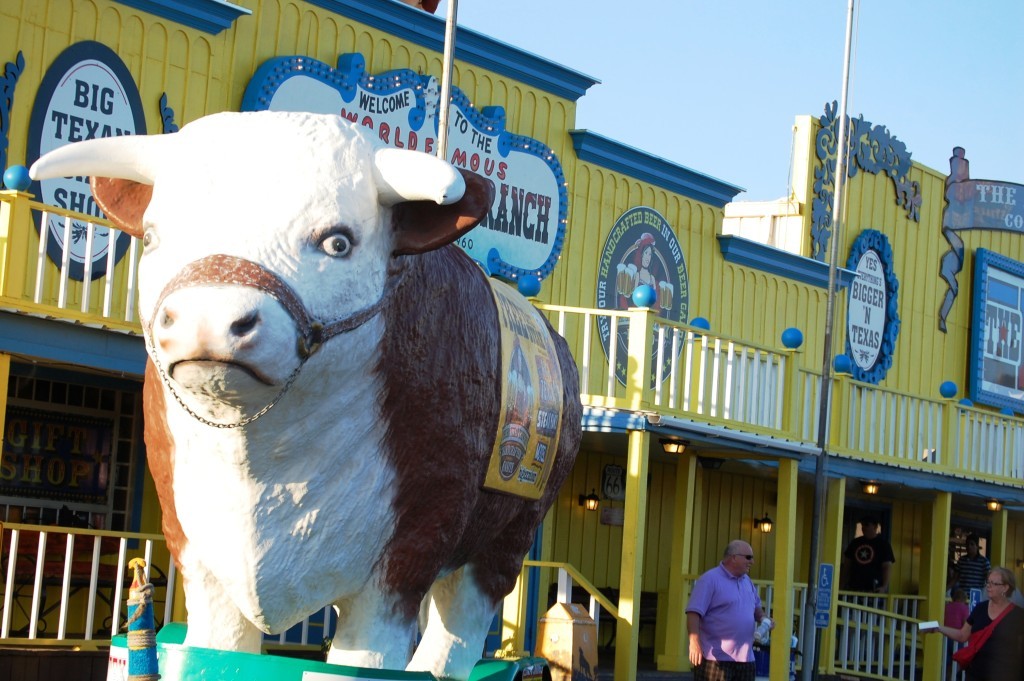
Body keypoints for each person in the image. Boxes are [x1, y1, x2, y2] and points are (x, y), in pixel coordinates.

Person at [686, 539, 772, 681]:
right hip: (715, 659)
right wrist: (694, 643)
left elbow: (756, 609)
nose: (752, 562)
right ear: (734, 557)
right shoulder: (710, 580)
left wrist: (764, 619)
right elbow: (693, 613)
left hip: (746, 659)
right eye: (748, 557)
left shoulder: (747, 582)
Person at [927, 567, 1024, 681]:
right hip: (976, 673)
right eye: (988, 582)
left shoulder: (1018, 615)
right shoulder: (980, 608)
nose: (988, 586)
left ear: (1005, 588)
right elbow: (962, 635)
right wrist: (938, 628)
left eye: (993, 583)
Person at [841, 514, 896, 593]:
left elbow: (887, 567)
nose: (863, 527)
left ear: (875, 526)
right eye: (862, 525)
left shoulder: (883, 544)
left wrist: (884, 587)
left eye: (866, 524)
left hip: (873, 590)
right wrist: (841, 586)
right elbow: (846, 566)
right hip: (854, 589)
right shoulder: (855, 543)